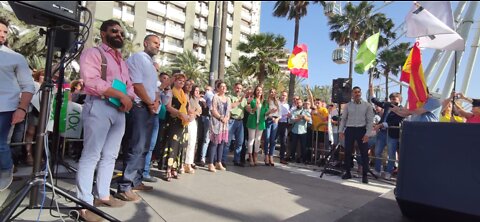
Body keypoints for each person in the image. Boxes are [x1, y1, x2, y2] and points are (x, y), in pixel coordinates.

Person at [77, 19, 135, 220]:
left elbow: (129, 85)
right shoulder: (94, 53)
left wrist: (128, 98)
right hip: (99, 105)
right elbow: (91, 81)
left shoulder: (122, 60)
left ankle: (103, 194)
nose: (119, 34)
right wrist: (121, 96)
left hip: (119, 110)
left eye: (121, 32)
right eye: (114, 31)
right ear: (103, 33)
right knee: (91, 155)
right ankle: (84, 204)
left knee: (110, 155)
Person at [117, 34, 161, 199]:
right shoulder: (137, 58)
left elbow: (154, 88)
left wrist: (155, 101)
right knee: (136, 147)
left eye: (159, 44)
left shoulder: (150, 64)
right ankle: (124, 186)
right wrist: (150, 103)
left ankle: (136, 181)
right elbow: (136, 85)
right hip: (140, 108)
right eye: (155, 43)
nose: (158, 46)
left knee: (144, 148)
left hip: (150, 109)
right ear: (146, 43)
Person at [0, 17, 35, 192]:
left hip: (5, 108)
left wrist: (22, 108)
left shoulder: (16, 58)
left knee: (0, 143)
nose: (2, 35)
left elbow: (28, 86)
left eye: (5, 32)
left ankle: (6, 169)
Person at [339, 86, 374, 184]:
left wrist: (367, 134)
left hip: (361, 130)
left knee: (364, 153)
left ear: (361, 93)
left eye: (358, 92)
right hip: (349, 130)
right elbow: (344, 119)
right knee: (347, 152)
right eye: (355, 92)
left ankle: (365, 175)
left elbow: (370, 121)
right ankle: (348, 172)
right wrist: (341, 131)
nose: (357, 94)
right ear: (352, 94)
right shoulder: (348, 105)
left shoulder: (367, 105)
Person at [370, 86, 405, 180]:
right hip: (382, 133)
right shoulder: (387, 105)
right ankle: (377, 170)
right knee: (377, 151)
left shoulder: (402, 109)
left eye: (395, 99)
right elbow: (375, 101)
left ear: (399, 99)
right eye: (391, 99)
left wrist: (381, 125)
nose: (393, 100)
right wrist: (371, 90)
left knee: (391, 154)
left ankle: (388, 172)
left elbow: (396, 120)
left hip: (392, 134)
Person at [164, 72, 191, 181]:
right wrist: (180, 114)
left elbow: (189, 109)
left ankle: (175, 168)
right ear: (174, 81)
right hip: (174, 122)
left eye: (183, 81)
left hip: (183, 123)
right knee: (172, 145)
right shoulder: (170, 92)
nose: (181, 82)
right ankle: (168, 169)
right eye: (179, 80)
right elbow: (168, 107)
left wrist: (190, 115)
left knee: (180, 146)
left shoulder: (184, 95)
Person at [207, 81, 231, 172]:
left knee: (222, 143)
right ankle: (210, 163)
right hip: (216, 122)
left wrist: (227, 118)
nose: (223, 88)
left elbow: (228, 111)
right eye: (221, 86)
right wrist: (221, 117)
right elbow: (213, 110)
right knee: (214, 143)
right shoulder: (215, 97)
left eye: (225, 86)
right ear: (218, 88)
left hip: (225, 124)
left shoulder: (228, 99)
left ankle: (218, 162)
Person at [246, 86, 271, 166]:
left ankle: (255, 156)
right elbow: (249, 111)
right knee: (251, 140)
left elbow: (266, 113)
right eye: (257, 90)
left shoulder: (265, 102)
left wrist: (270, 112)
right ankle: (250, 156)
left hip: (261, 123)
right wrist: (255, 109)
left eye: (260, 90)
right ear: (255, 91)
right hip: (252, 122)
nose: (259, 91)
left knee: (258, 140)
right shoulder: (251, 100)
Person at [225, 83, 247, 167]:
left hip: (240, 121)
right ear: (234, 88)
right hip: (231, 120)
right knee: (228, 142)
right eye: (237, 88)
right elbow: (230, 106)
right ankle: (223, 160)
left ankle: (236, 160)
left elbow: (247, 109)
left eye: (240, 88)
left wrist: (254, 108)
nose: (238, 90)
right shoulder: (230, 97)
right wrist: (240, 101)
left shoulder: (243, 99)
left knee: (240, 142)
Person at [277, 91, 290, 164]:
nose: (283, 96)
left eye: (285, 95)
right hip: (277, 123)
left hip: (284, 124)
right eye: (282, 95)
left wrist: (289, 115)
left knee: (284, 142)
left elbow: (289, 114)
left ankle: (282, 158)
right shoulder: (277, 103)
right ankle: (269, 157)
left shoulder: (288, 105)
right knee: (273, 140)